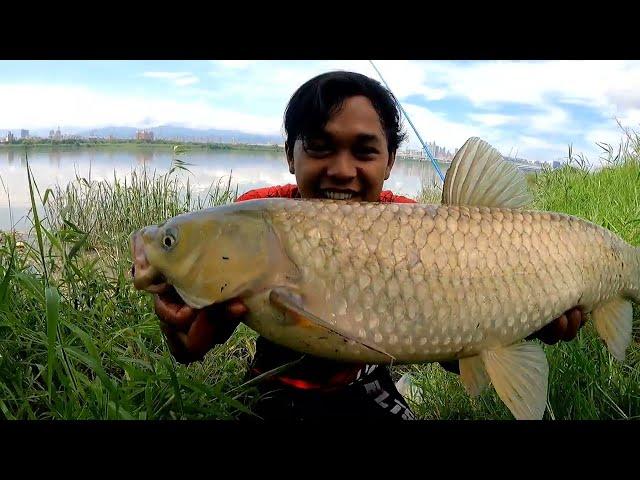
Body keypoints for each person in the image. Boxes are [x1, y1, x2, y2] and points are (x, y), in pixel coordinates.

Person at [154, 71, 585, 420]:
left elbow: (448, 345)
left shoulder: (422, 232)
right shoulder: (254, 217)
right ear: (290, 154)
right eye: (320, 147)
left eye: (364, 151)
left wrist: (520, 320)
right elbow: (191, 347)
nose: (342, 171)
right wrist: (177, 320)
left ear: (391, 162)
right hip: (275, 384)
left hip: (368, 385)